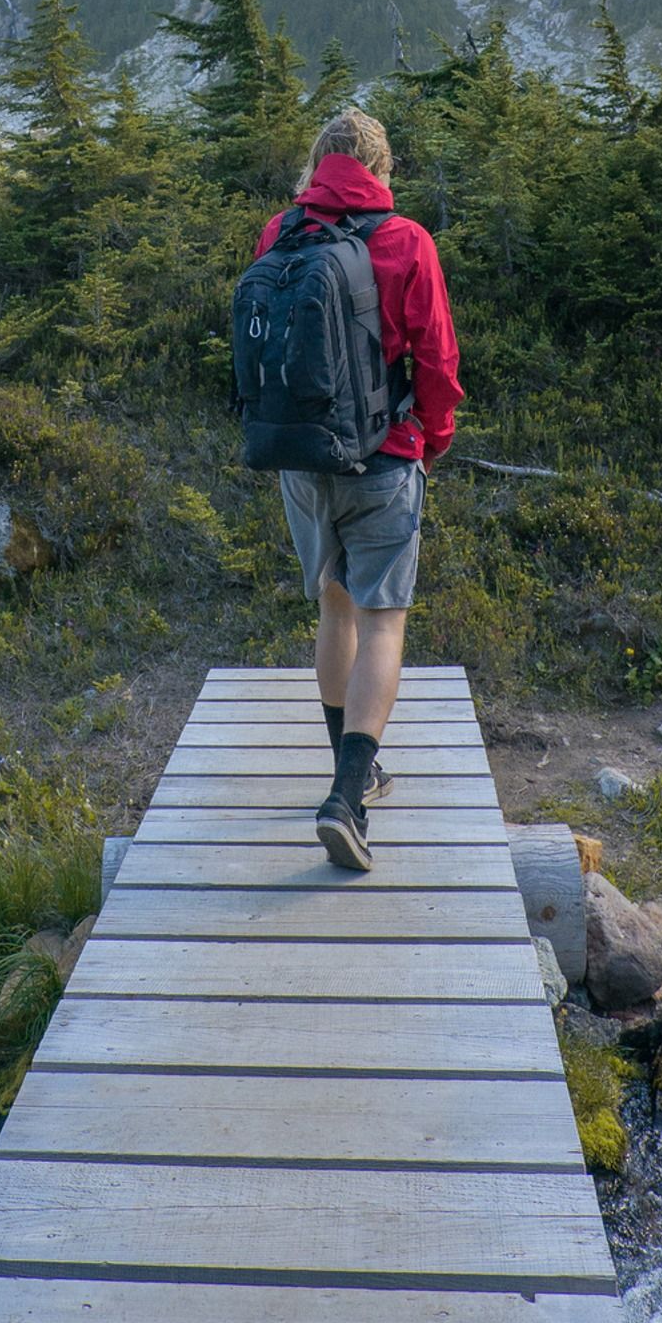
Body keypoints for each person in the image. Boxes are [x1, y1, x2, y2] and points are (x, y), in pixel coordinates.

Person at [252, 107, 462, 870]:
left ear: (317, 164)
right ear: (382, 168)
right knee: (384, 620)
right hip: (383, 457)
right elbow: (437, 364)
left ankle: (350, 767)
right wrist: (428, 444)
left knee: (333, 605)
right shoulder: (407, 241)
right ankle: (347, 794)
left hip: (302, 458)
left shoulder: (280, 234)